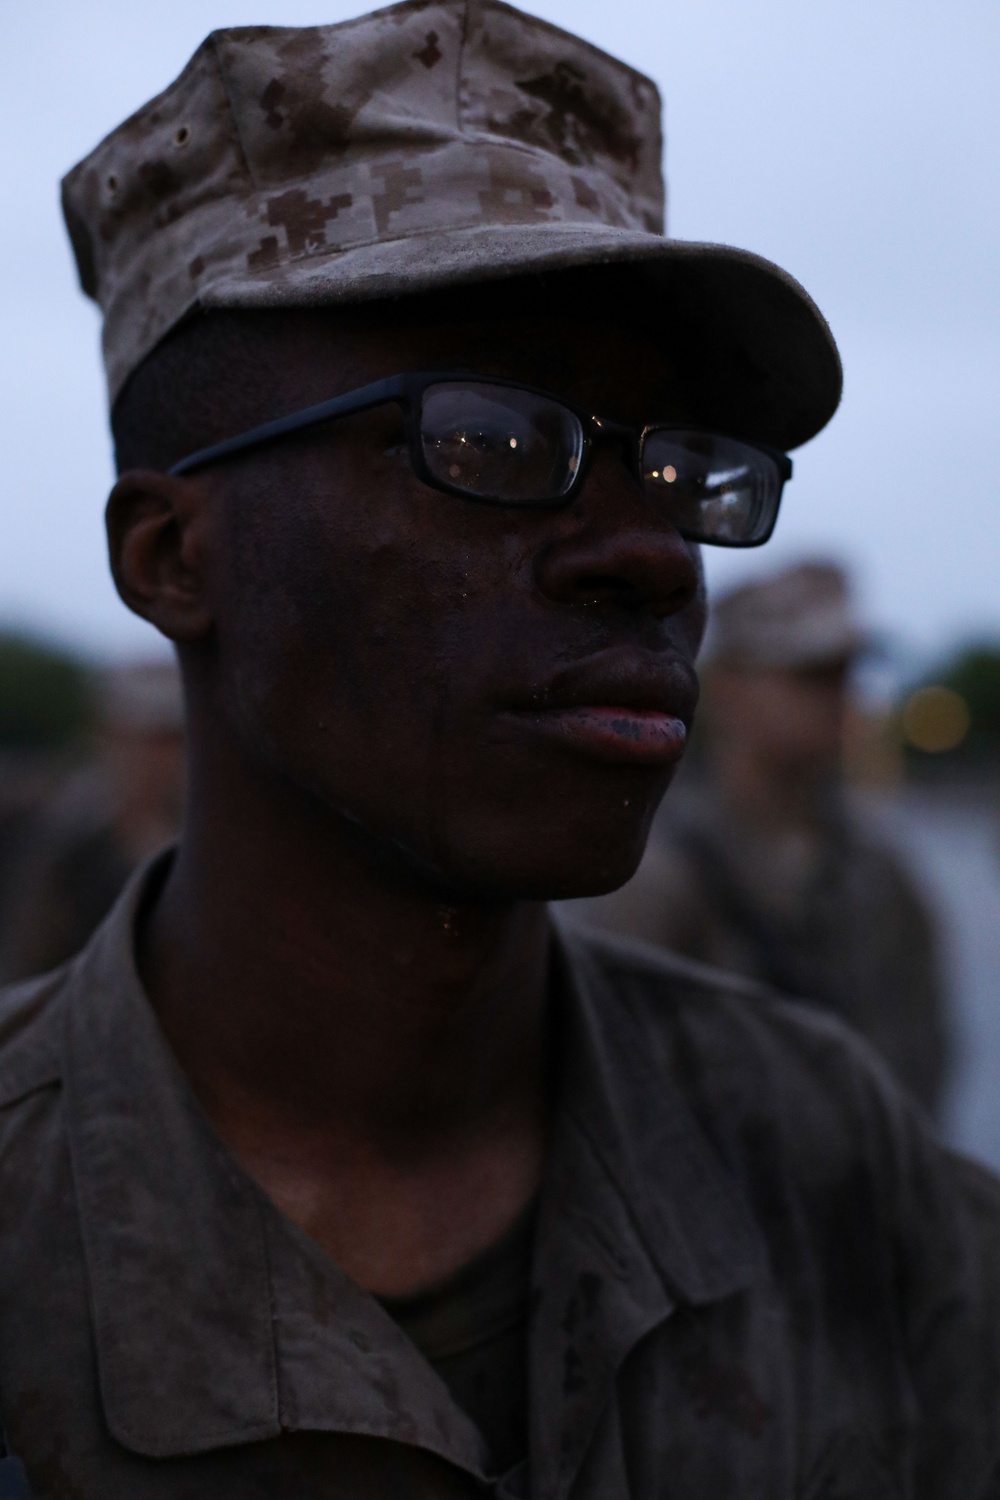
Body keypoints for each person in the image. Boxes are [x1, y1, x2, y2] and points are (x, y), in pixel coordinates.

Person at [0, 5, 998, 1496]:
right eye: (488, 437)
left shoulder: (829, 1154)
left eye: (677, 462)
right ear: (171, 555)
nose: (653, 556)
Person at [569, 561, 950, 1114]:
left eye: (846, 672)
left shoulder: (883, 872)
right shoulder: (650, 873)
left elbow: (925, 1062)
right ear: (727, 687)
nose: (839, 696)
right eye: (809, 674)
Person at [0, 659, 184, 982]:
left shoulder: (203, 845)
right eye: (147, 737)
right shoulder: (50, 824)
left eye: (172, 740)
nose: (158, 757)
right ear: (107, 733)